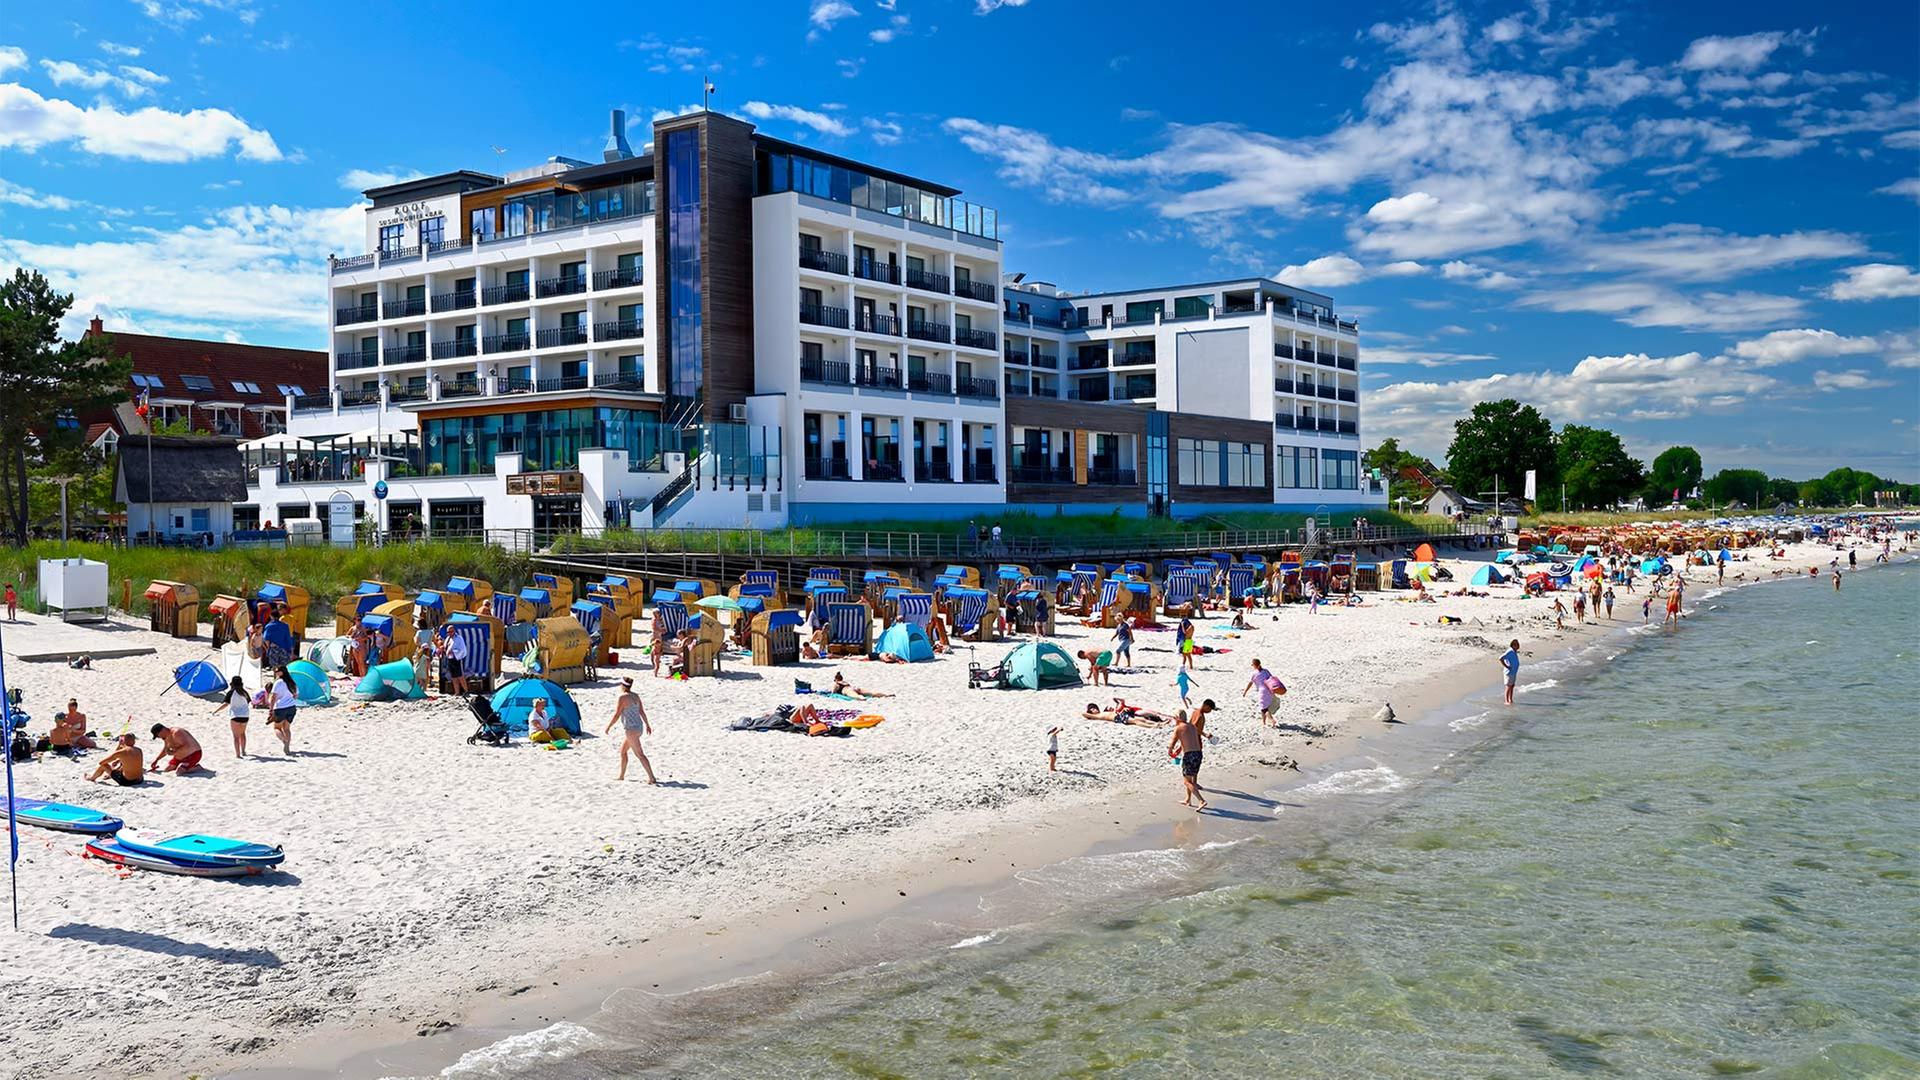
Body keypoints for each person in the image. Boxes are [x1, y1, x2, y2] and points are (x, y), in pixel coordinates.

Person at [604, 677, 657, 783]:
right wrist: (647, 725)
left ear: (623, 686)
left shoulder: (622, 698)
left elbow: (617, 714)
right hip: (639, 727)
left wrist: (609, 726)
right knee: (623, 751)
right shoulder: (636, 696)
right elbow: (642, 712)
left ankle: (652, 777)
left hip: (631, 729)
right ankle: (621, 776)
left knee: (640, 754)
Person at [1167, 711, 1207, 811]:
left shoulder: (1178, 728)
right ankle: (1188, 799)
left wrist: (1170, 751)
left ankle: (1201, 800)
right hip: (1198, 754)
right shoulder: (1192, 726)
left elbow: (1172, 743)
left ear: (1178, 718)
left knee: (1186, 782)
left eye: (1174, 717)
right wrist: (1180, 748)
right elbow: (1190, 738)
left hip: (1189, 756)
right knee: (1191, 778)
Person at [211, 675, 250, 758]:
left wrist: (216, 711)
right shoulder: (244, 692)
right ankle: (243, 751)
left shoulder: (231, 692)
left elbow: (225, 704)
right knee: (242, 733)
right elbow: (248, 702)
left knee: (236, 736)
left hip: (235, 716)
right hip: (245, 716)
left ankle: (238, 754)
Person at [268, 666, 298, 756]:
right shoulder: (292, 682)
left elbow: (273, 697)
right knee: (287, 728)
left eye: (277, 671)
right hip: (291, 707)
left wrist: (271, 709)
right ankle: (287, 747)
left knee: (277, 728)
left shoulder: (278, 683)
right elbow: (296, 695)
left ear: (282, 672)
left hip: (281, 707)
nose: (276, 673)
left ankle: (284, 741)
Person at [1243, 659, 1282, 727]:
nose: (1252, 666)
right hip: (1269, 690)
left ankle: (1272, 720)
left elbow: (1250, 683)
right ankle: (1264, 723)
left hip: (1262, 692)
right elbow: (1272, 679)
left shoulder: (1254, 673)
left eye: (1253, 665)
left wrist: (1245, 691)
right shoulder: (1266, 671)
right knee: (1266, 707)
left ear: (1255, 665)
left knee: (1263, 708)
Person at [441, 624, 470, 696]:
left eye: (451, 631)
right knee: (453, 676)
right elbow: (445, 647)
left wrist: (454, 652)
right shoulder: (447, 639)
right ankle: (457, 692)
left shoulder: (459, 638)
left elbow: (463, 649)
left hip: (457, 659)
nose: (450, 633)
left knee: (460, 676)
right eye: (448, 632)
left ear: (454, 631)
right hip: (450, 659)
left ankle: (466, 691)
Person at [1501, 639, 1521, 705]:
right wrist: (1507, 666)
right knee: (1508, 686)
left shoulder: (1514, 651)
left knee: (1512, 686)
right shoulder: (1510, 651)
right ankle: (1506, 700)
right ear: (1513, 645)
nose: (1518, 647)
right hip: (1509, 672)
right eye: (1517, 645)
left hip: (1513, 672)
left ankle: (1510, 699)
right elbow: (1501, 658)